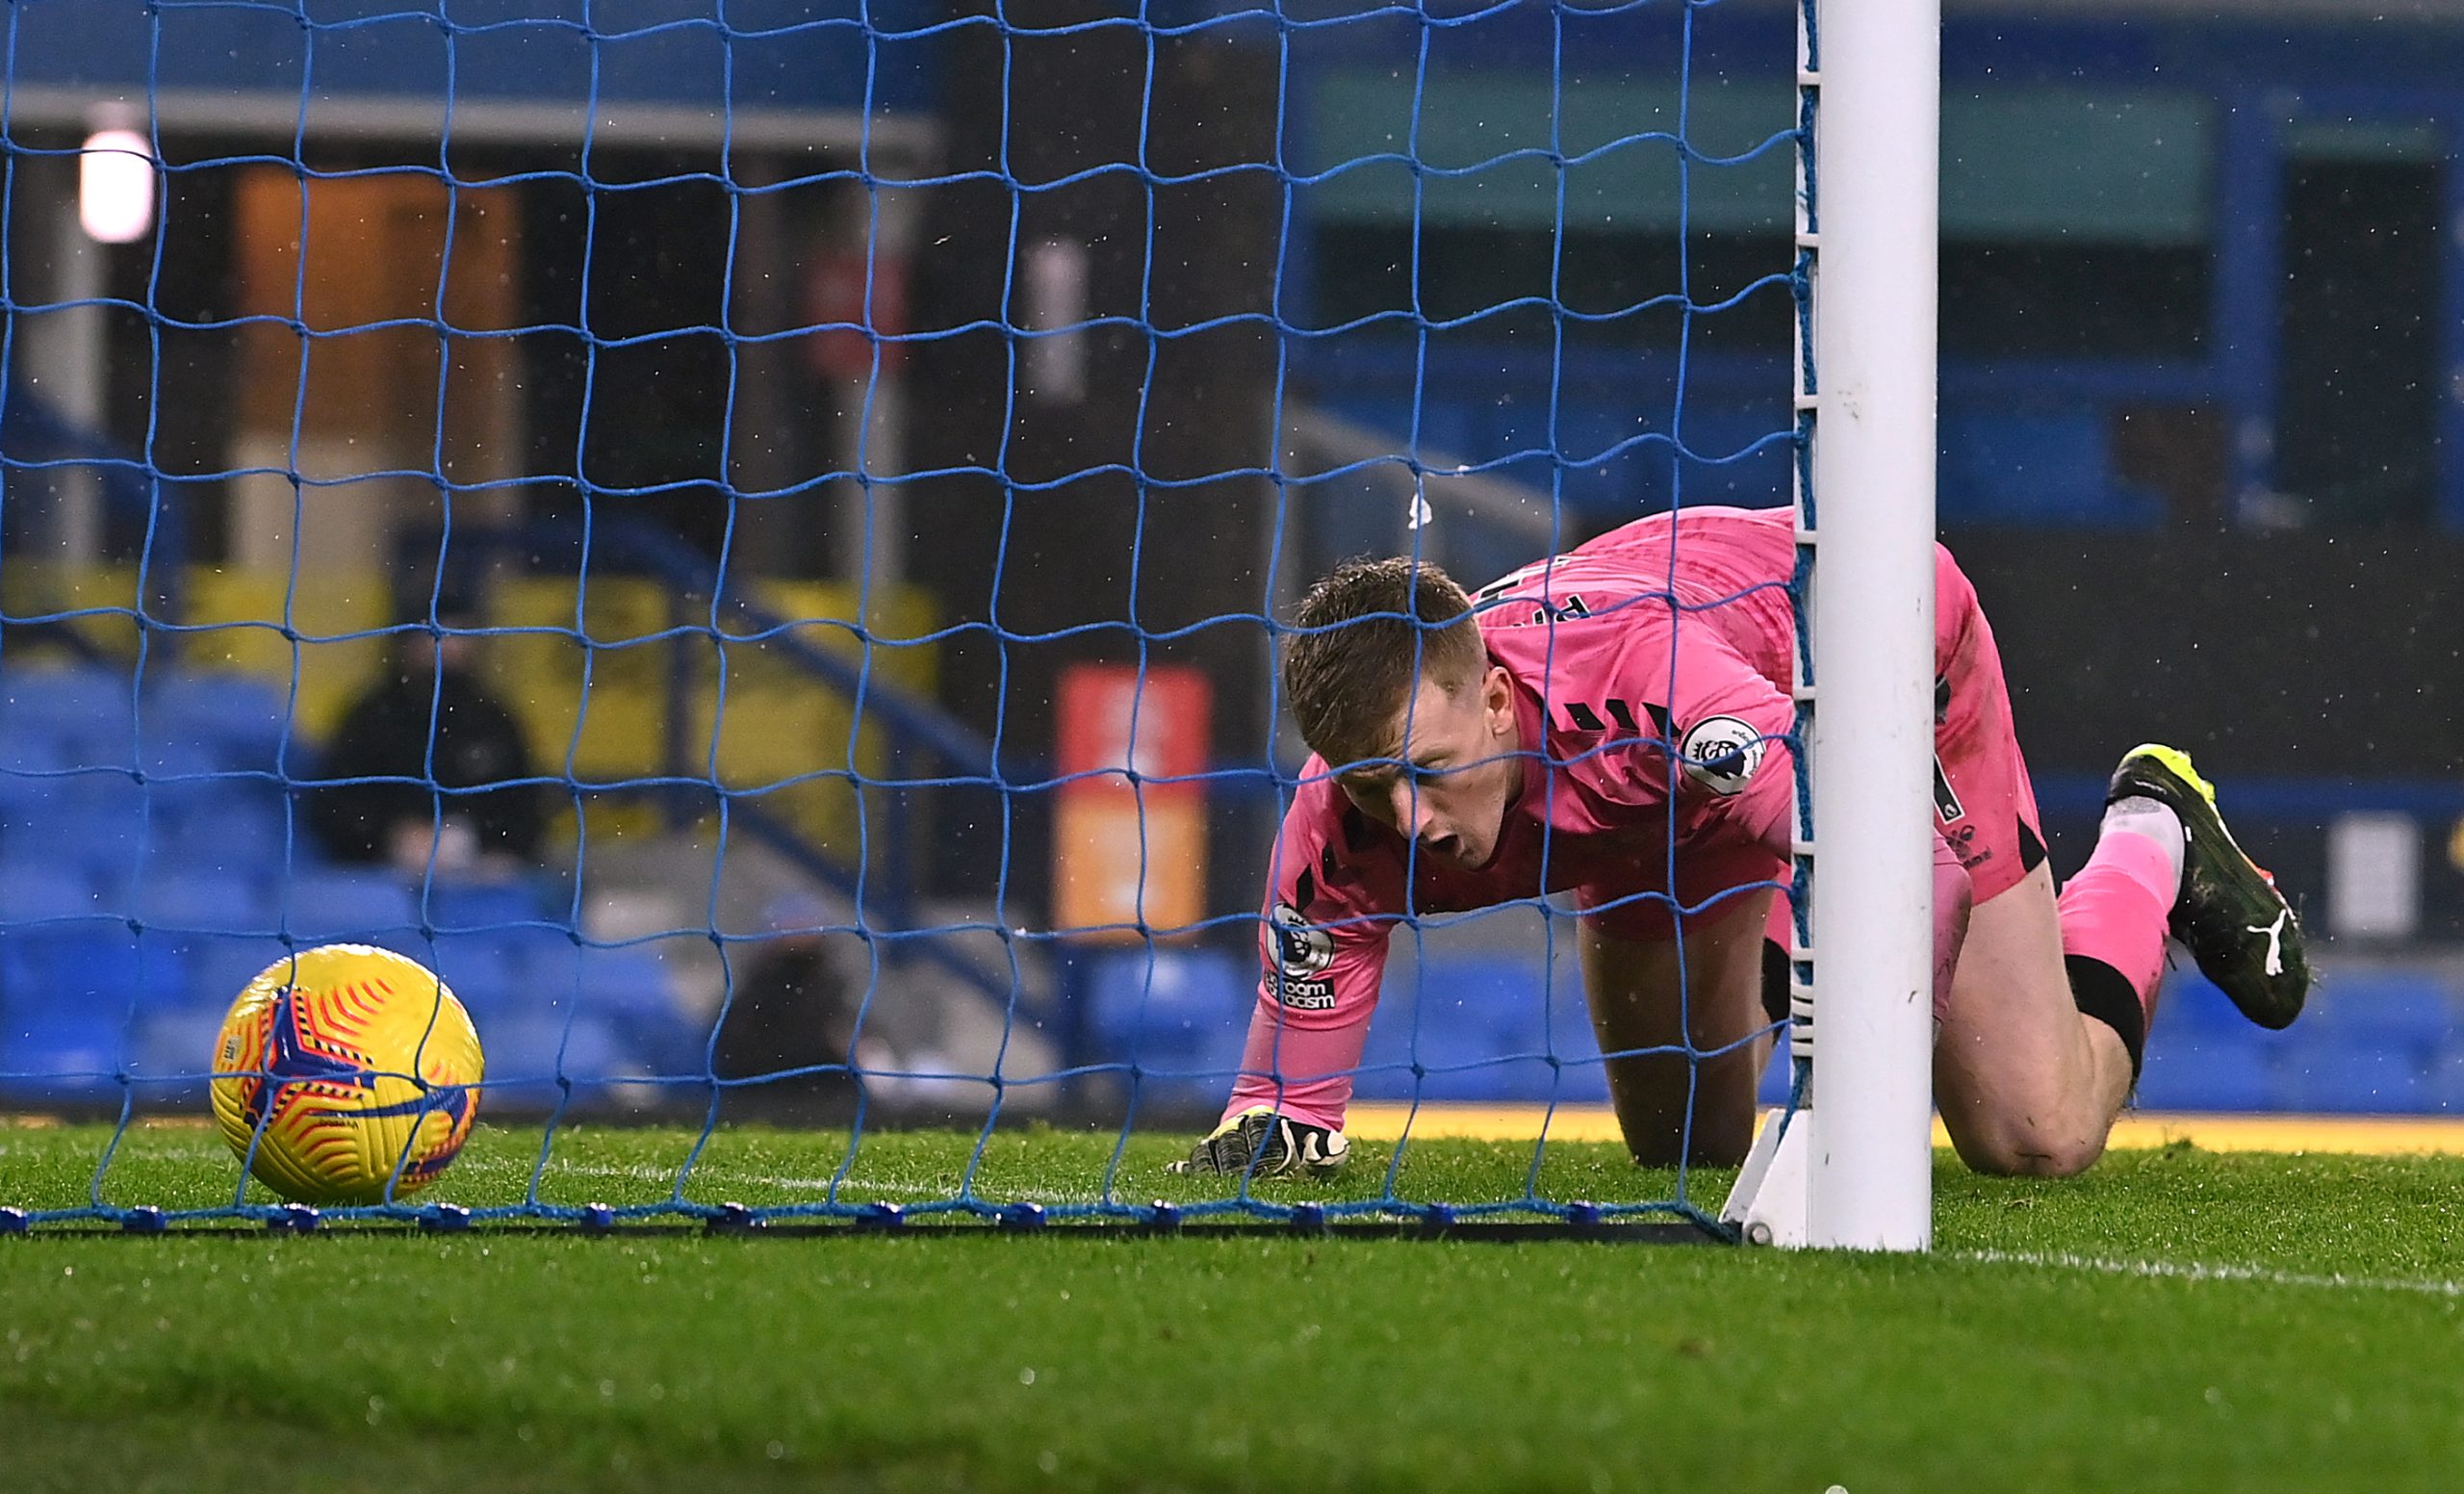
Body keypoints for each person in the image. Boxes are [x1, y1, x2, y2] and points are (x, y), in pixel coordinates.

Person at [1171, 504, 2309, 1179]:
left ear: (1500, 703)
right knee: (1689, 1153)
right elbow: (1284, 1115)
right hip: (1674, 809)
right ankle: (1765, 946)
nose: (1406, 821)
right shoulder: (1339, 822)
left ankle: (2154, 834)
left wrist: (1842, 1090)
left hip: (1862, 669)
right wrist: (1267, 1138)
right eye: (1373, 788)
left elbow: (1902, 863)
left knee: (2033, 1133)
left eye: (1426, 774)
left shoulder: (1653, 695)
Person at [307, 580, 547, 878]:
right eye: (433, 635)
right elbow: (333, 806)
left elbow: (527, 809)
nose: (447, 648)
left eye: (457, 634)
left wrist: (477, 842)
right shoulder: (371, 718)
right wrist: (393, 837)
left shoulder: (493, 720)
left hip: (481, 882)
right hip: (383, 879)